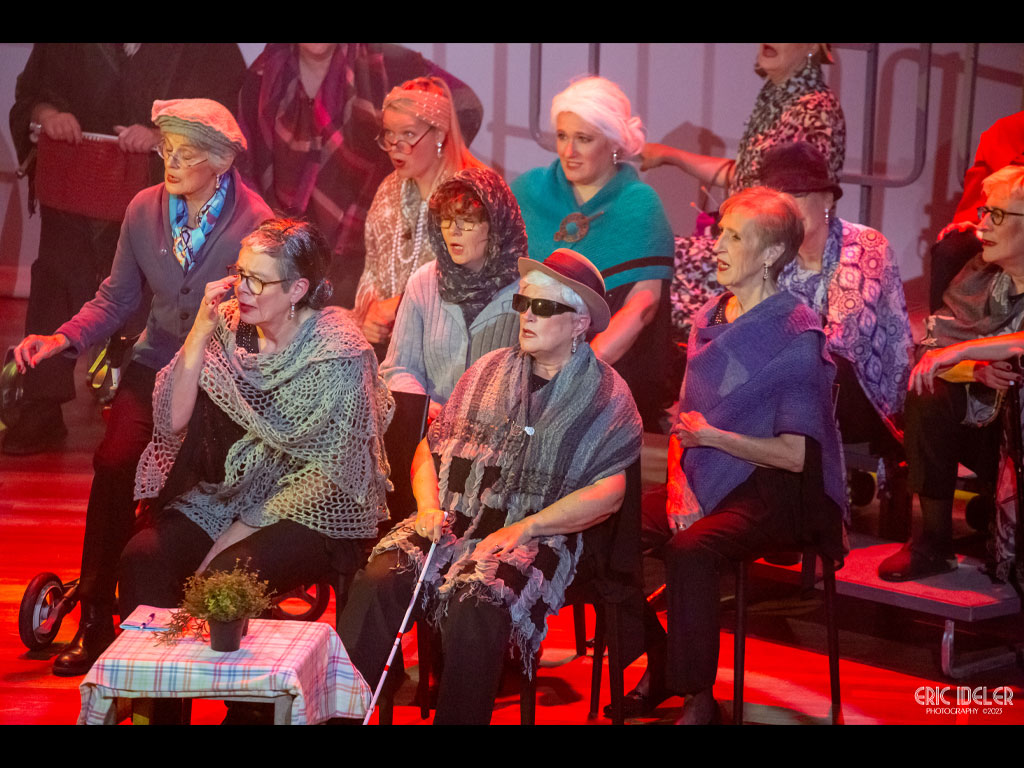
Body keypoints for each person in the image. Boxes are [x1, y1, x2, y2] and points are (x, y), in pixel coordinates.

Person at [11, 98, 273, 675]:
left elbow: (267, 317)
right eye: (166, 150)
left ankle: (166, 590)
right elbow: (117, 298)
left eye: (185, 154)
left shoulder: (255, 222)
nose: (170, 162)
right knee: (113, 463)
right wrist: (61, 338)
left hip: (222, 373)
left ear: (220, 161)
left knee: (184, 480)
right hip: (155, 361)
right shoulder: (142, 209)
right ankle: (95, 617)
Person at [338, 248, 643, 725]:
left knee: (476, 600)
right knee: (380, 576)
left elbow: (610, 493)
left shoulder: (607, 394)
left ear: (580, 322)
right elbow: (429, 449)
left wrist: (526, 528)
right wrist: (427, 505)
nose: (527, 316)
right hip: (455, 515)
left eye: (543, 307)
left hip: (540, 533)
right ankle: (339, 712)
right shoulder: (487, 370)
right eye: (524, 303)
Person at [624, 187, 847, 723]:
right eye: (720, 233)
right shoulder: (710, 317)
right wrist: (680, 485)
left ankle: (700, 699)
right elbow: (686, 422)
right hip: (703, 472)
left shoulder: (797, 334)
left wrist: (715, 440)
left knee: (691, 550)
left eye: (734, 237)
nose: (717, 246)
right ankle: (660, 659)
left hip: (776, 490)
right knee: (610, 529)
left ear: (770, 254)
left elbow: (795, 456)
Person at [118, 219, 392, 622]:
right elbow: (173, 421)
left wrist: (239, 530)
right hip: (231, 495)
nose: (242, 289)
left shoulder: (337, 351)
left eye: (258, 281)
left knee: (226, 575)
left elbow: (332, 475)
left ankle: (232, 663)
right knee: (142, 559)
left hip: (313, 511)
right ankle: (159, 664)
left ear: (296, 289)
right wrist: (200, 330)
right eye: (240, 273)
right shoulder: (231, 326)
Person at [5, 43, 248, 454]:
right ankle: (41, 402)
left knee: (154, 293)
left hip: (163, 188)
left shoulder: (210, 49)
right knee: (58, 278)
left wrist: (162, 138)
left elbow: (225, 112)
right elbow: (32, 93)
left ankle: (140, 398)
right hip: (75, 181)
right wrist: (47, 116)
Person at [237, 44, 484, 310]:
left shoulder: (389, 64)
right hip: (290, 260)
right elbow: (245, 166)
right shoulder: (263, 77)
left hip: (365, 258)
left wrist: (421, 167)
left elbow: (466, 105)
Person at [641, 44, 847, 340]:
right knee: (653, 257)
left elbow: (794, 206)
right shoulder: (777, 96)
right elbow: (744, 175)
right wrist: (669, 155)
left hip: (777, 253)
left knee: (658, 265)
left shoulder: (815, 109)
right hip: (752, 236)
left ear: (814, 46)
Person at [878, 165, 1024, 581]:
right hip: (985, 430)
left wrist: (965, 351)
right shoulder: (979, 275)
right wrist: (974, 369)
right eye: (984, 211)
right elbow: (931, 346)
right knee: (927, 392)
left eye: (997, 215)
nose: (981, 225)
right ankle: (933, 543)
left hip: (1018, 434)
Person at [510, 76, 675, 430]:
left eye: (583, 139)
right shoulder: (527, 192)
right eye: (562, 136)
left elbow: (643, 306)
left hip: (607, 385)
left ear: (614, 143)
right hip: (522, 372)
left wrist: (576, 373)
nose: (568, 151)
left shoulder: (640, 204)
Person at [758, 142, 913, 450]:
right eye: (778, 199)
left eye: (799, 195)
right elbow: (741, 316)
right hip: (786, 386)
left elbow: (846, 339)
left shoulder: (865, 245)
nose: (788, 208)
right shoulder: (769, 253)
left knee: (821, 368)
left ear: (827, 199)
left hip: (864, 396)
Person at [353, 76, 486, 357]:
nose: (395, 147)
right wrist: (370, 313)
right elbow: (371, 270)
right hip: (390, 347)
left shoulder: (472, 193)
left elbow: (477, 283)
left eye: (408, 135)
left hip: (450, 349)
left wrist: (405, 306)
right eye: (389, 134)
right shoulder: (389, 189)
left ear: (439, 133)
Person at [381, 167, 525, 422]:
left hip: (497, 436)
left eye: (467, 221)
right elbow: (399, 368)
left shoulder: (527, 291)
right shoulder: (423, 283)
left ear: (496, 227)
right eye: (446, 220)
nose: (452, 231)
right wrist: (424, 407)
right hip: (431, 432)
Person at [929, 112, 1024, 312]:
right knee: (952, 249)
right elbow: (980, 191)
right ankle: (942, 326)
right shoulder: (1005, 131)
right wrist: (972, 221)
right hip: (1003, 223)